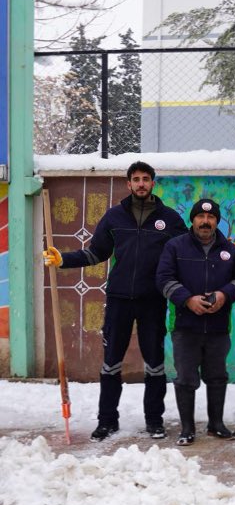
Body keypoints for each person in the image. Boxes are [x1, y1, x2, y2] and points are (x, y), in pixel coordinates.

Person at [42, 161, 187, 441]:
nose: (141, 183)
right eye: (136, 179)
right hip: (119, 299)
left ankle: (154, 420)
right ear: (128, 183)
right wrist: (63, 260)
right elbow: (96, 253)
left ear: (153, 183)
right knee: (111, 363)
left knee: (155, 362)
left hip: (152, 300)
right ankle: (107, 420)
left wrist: (223, 249)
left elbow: (187, 251)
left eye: (146, 178)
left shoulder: (169, 219)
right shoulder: (114, 217)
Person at [155, 198, 235, 446]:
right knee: (186, 378)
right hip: (186, 327)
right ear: (193, 220)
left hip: (218, 328)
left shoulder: (231, 250)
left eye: (211, 218)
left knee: (217, 376)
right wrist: (187, 300)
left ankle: (216, 424)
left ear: (216, 221)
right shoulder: (175, 247)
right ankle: (187, 429)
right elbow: (163, 279)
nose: (205, 222)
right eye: (200, 217)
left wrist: (224, 294)